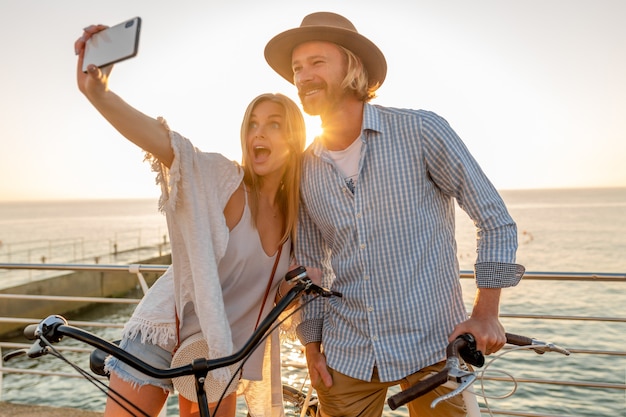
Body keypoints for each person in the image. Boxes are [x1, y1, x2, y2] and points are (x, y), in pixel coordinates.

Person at [264, 12, 525, 417]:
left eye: (317, 63)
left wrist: (486, 314)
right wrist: (311, 347)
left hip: (435, 346)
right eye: (297, 68)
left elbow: (494, 219)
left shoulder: (421, 131)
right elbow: (311, 268)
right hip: (346, 354)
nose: (303, 77)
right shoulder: (304, 169)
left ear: (353, 68)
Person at [75, 25, 308, 417]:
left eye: (273, 124)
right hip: (162, 332)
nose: (258, 133)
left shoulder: (295, 219)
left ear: (294, 139)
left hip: (215, 353)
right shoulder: (224, 179)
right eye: (252, 123)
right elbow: (167, 145)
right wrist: (98, 93)